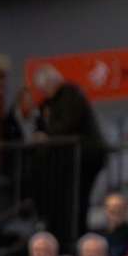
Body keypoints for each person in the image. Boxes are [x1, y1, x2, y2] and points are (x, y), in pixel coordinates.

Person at [32, 64, 111, 244]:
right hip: (66, 161)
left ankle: (77, 237)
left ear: (52, 83)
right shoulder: (48, 103)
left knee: (78, 199)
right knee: (64, 201)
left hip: (86, 156)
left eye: (45, 88)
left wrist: (47, 135)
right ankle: (63, 236)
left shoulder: (70, 94)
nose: (44, 93)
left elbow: (68, 124)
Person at [100, 192, 128, 256]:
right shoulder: (98, 235)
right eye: (111, 208)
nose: (115, 210)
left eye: (119, 208)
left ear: (126, 210)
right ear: (105, 210)